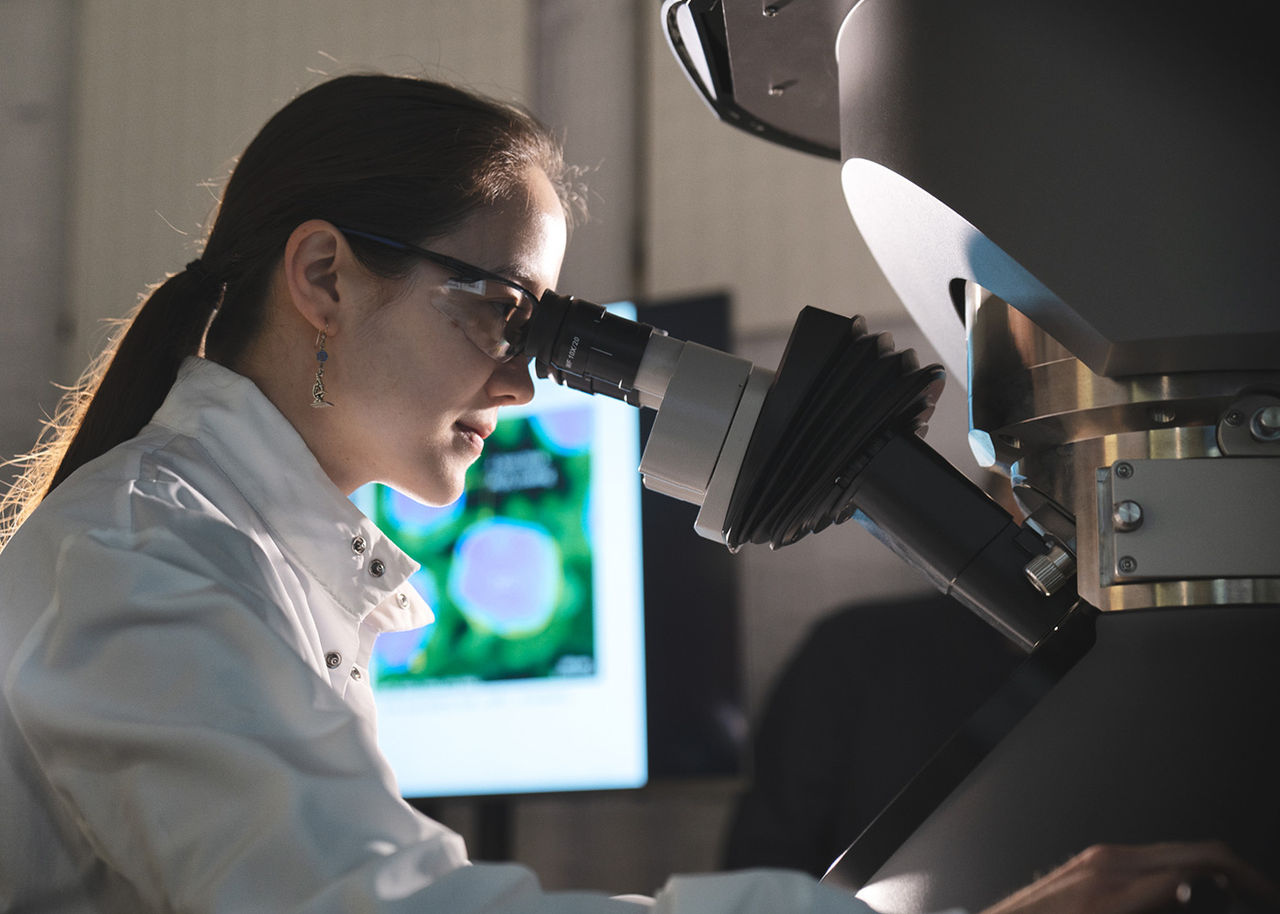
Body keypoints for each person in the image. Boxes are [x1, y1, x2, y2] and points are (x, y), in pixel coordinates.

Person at [0, 72, 1271, 914]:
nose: (524, 378)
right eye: (500, 307)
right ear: (325, 276)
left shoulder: (256, 556)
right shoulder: (143, 558)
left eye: (545, 330)